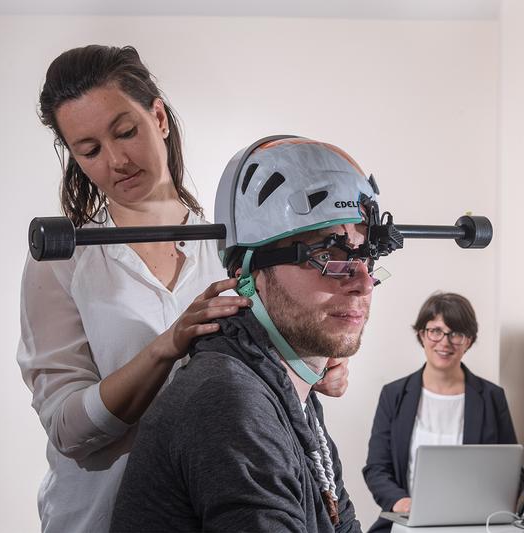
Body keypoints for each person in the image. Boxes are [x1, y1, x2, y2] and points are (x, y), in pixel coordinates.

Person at [17, 45, 348, 533]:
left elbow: (275, 379)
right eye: (89, 151)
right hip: (97, 518)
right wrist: (166, 348)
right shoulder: (63, 260)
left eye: (125, 132)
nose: (116, 160)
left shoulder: (238, 246)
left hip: (224, 507)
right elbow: (68, 429)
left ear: (158, 117)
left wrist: (320, 364)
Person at [110, 137, 381, 531]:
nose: (363, 283)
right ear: (248, 272)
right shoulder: (230, 398)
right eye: (325, 256)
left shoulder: (291, 389)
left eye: (364, 255)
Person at [362, 292, 518, 533]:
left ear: (469, 341)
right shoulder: (393, 395)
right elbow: (377, 468)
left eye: (455, 333)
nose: (444, 342)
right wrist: (403, 503)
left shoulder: (491, 397)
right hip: (406, 522)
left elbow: (511, 472)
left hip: (473, 526)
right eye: (435, 331)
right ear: (421, 334)